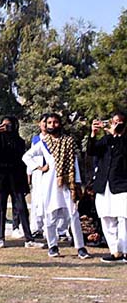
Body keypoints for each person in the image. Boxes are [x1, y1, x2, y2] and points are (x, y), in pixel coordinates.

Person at [22, 113, 91, 259]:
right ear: (45, 126)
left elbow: (74, 165)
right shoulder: (44, 143)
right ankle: (53, 246)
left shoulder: (68, 142)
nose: (53, 125)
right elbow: (26, 156)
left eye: (55, 122)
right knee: (50, 216)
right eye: (50, 123)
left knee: (73, 215)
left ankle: (80, 247)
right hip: (49, 185)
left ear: (60, 124)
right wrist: (39, 167)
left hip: (67, 184)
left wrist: (76, 184)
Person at [0, 116, 43, 249]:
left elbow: (20, 159)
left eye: (9, 125)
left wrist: (25, 182)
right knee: (0, 209)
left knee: (21, 208)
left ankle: (29, 238)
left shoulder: (19, 141)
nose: (6, 128)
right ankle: (0, 238)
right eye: (3, 125)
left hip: (16, 177)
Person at [87, 112, 127, 262]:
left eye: (119, 122)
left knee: (124, 217)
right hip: (104, 184)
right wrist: (93, 134)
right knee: (106, 217)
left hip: (121, 184)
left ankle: (125, 250)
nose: (116, 125)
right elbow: (92, 151)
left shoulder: (124, 140)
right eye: (114, 122)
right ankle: (115, 251)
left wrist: (117, 135)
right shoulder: (106, 139)